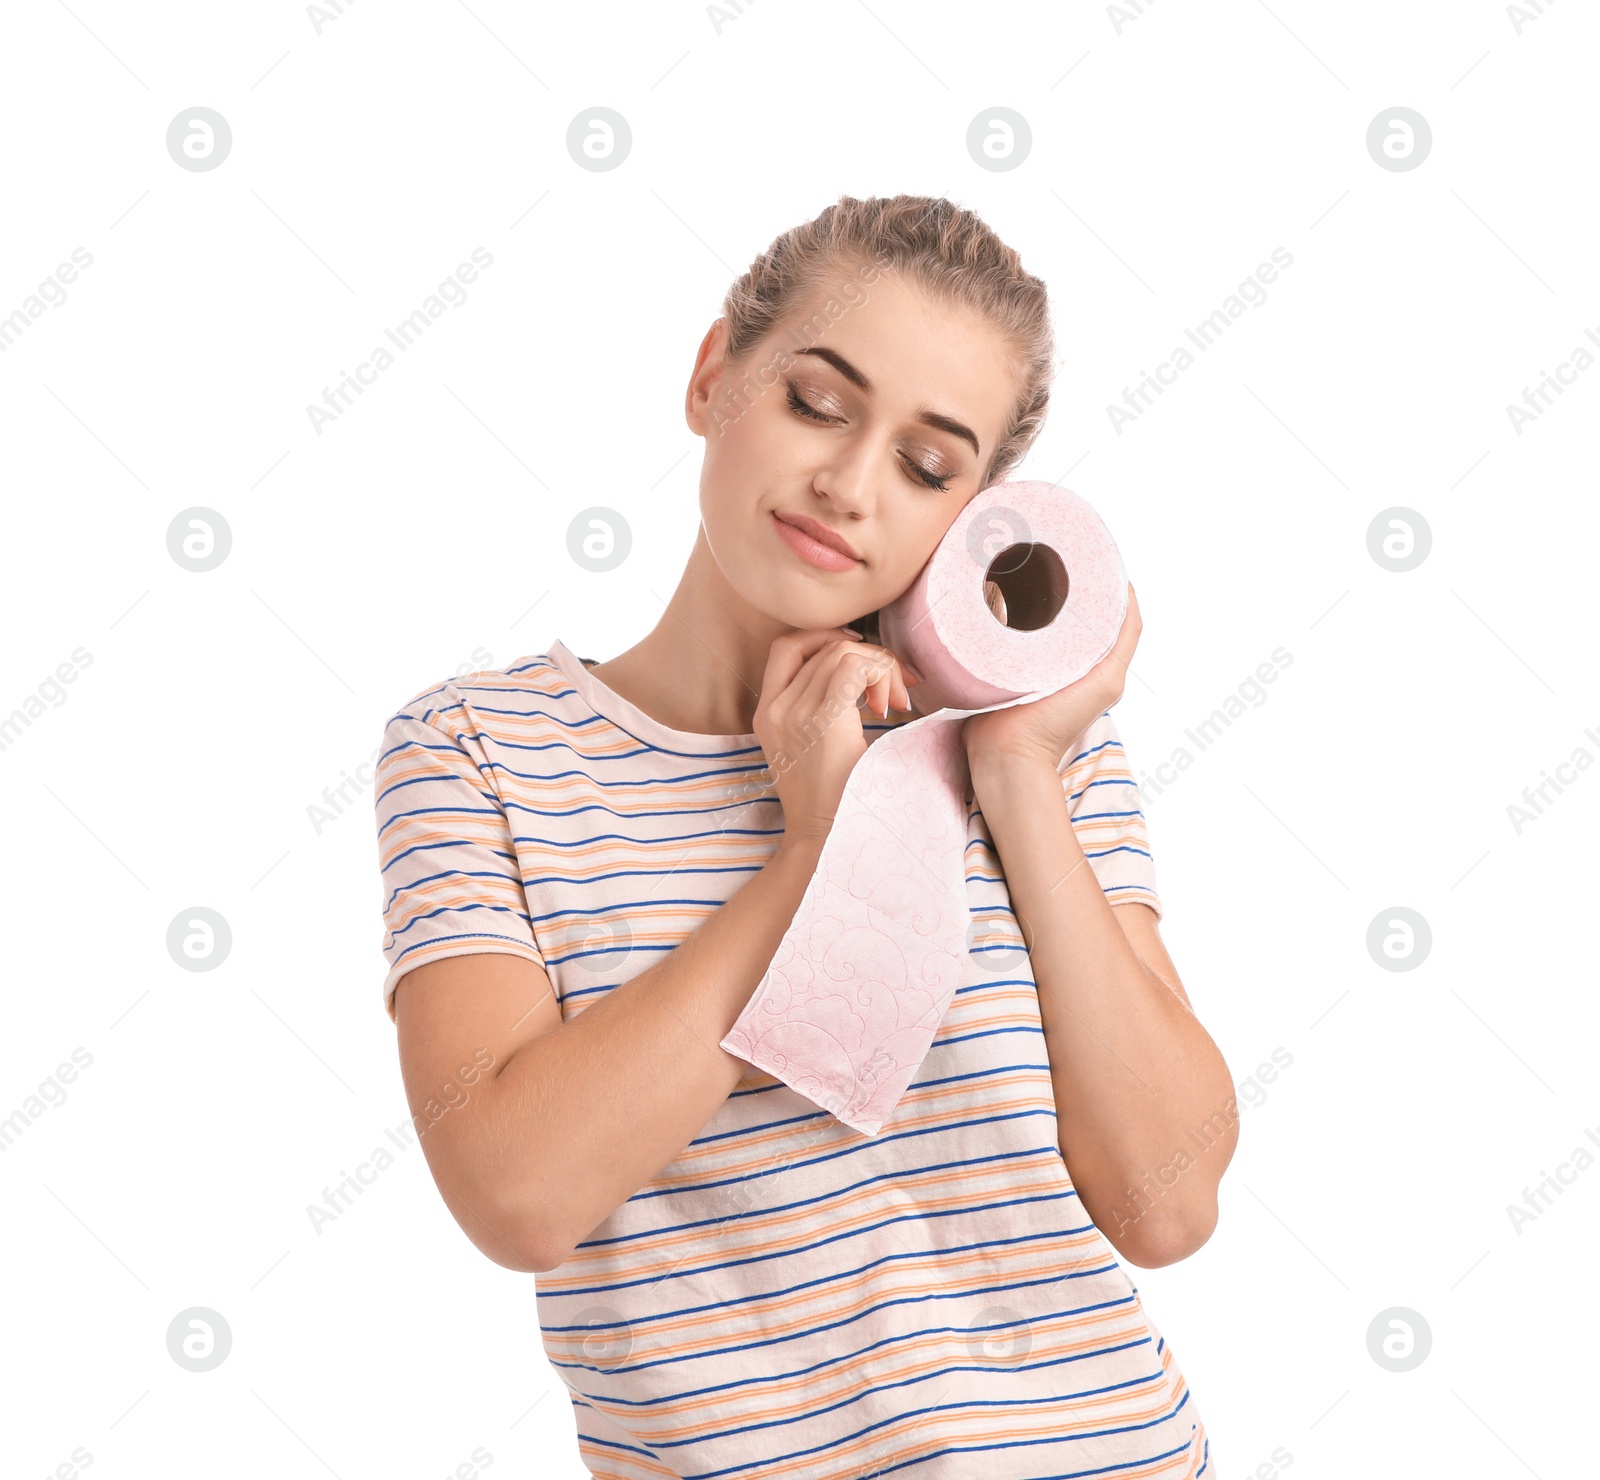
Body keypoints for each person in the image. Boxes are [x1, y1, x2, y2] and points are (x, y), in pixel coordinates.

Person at [374, 194, 1232, 1479]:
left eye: (927, 465)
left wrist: (1008, 767)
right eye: (818, 403)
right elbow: (518, 1191)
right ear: (716, 376)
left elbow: (1163, 1200)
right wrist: (825, 853)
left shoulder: (1033, 749)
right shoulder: (480, 750)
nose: (847, 483)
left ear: (973, 515)